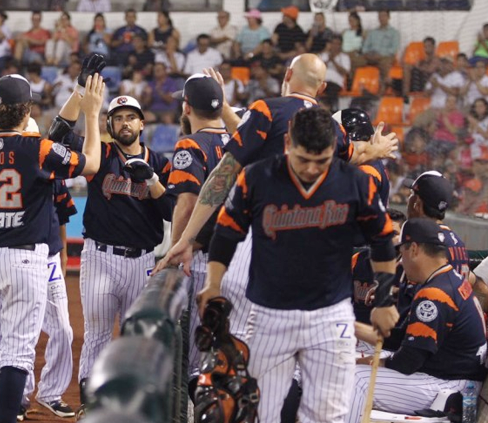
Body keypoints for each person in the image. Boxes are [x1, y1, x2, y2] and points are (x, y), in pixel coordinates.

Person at [156, 55, 398, 340]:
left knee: (236, 338)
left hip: (259, 239)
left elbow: (223, 176)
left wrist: (185, 239)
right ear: (321, 89)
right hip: (314, 249)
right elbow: (358, 155)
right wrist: (377, 149)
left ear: (287, 74)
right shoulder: (329, 128)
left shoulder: (267, 110)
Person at [198, 107, 397, 423]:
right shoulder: (257, 177)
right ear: (288, 142)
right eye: (303, 158)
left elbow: (382, 241)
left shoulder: (355, 182)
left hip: (329, 315)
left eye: (321, 160)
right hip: (269, 314)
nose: (310, 169)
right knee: (258, 422)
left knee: (325, 422)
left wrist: (384, 300)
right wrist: (213, 283)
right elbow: (226, 233)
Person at [0, 73, 104, 423]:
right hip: (24, 259)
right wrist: (93, 114)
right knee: (16, 353)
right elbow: (92, 164)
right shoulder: (37, 148)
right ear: (27, 110)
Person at [50, 85, 174, 415]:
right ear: (109, 125)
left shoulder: (160, 162)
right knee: (97, 334)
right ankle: (91, 405)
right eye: (117, 118)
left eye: (130, 117)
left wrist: (152, 181)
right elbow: (58, 134)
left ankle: (136, 403)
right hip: (100, 256)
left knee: (138, 338)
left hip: (142, 260)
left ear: (142, 123)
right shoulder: (101, 155)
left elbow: (174, 212)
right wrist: (80, 91)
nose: (124, 123)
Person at [342, 218, 486, 423]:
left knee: (354, 380)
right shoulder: (448, 279)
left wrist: (372, 361)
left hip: (450, 389)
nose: (400, 260)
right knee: (356, 370)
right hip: (454, 379)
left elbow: (408, 361)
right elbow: (406, 339)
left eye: (402, 252)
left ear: (415, 249)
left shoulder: (436, 292)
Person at [166, 74, 234, 390]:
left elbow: (188, 202)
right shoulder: (240, 139)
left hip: (205, 259)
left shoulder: (191, 143)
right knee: (234, 353)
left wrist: (176, 247)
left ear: (186, 106)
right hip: (244, 257)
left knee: (197, 360)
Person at [19, 120, 78, 420]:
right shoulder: (6, 172)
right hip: (19, 256)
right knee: (21, 330)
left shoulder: (52, 173)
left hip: (49, 257)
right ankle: (20, 394)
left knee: (63, 330)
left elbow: (63, 215)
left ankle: (51, 392)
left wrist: (64, 254)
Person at [360, 10, 400, 93]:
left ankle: (381, 91)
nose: (382, 18)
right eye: (380, 16)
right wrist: (368, 54)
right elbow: (365, 47)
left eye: (384, 16)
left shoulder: (394, 33)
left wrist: (380, 55)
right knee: (355, 61)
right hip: (371, 56)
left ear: (389, 17)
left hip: (385, 57)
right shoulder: (372, 32)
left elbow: (393, 49)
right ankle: (355, 87)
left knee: (385, 63)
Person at [318, 35, 352, 110]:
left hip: (336, 83)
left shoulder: (344, 57)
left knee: (331, 89)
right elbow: (318, 70)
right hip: (322, 82)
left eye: (337, 44)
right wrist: (328, 60)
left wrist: (333, 61)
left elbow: (345, 72)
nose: (335, 46)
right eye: (333, 43)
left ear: (340, 45)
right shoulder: (323, 55)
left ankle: (331, 109)